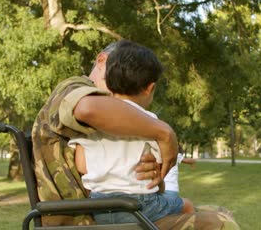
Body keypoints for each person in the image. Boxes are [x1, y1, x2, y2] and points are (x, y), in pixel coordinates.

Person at [31, 40, 240, 229]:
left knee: (216, 210)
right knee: (221, 224)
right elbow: (87, 108)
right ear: (102, 61)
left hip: (103, 211)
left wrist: (150, 174)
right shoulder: (75, 86)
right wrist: (165, 133)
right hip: (83, 220)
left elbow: (86, 162)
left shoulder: (115, 119)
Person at [68, 40, 194, 223]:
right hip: (139, 207)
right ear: (150, 88)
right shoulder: (149, 121)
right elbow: (159, 170)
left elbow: (81, 165)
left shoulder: (93, 124)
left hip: (99, 207)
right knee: (187, 205)